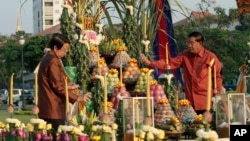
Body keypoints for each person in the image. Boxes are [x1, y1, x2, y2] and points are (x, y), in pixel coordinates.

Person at [140, 31, 223, 116]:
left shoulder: (210, 57)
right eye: (188, 43)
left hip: (206, 102)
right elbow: (169, 63)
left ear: (200, 43)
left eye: (192, 43)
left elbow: (218, 78)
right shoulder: (185, 56)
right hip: (190, 103)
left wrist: (217, 97)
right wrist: (150, 63)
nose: (189, 46)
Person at [38, 33, 91, 140]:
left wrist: (66, 85)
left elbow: (53, 83)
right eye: (64, 49)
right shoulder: (53, 61)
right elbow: (57, 86)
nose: (65, 53)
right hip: (54, 109)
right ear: (55, 47)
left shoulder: (48, 58)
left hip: (48, 107)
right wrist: (78, 98)